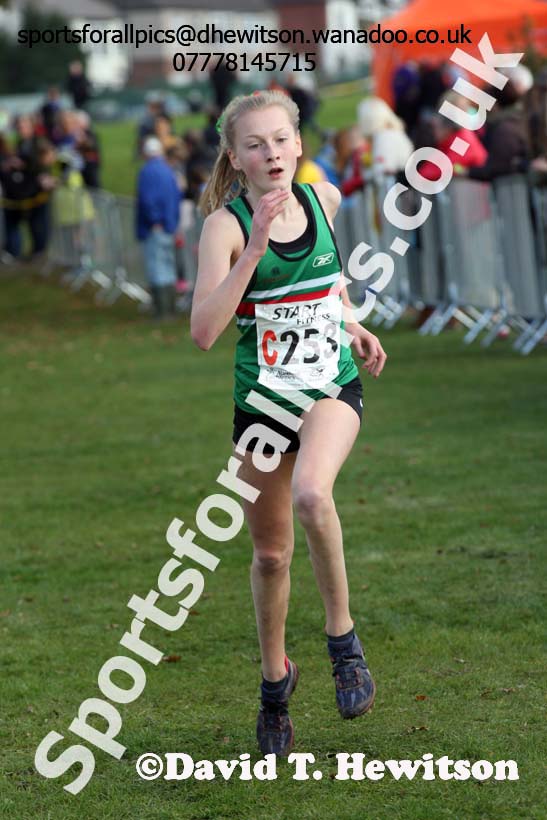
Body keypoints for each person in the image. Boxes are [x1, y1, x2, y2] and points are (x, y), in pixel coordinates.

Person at [191, 90, 387, 757]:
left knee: (312, 493)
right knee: (270, 554)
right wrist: (249, 253)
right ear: (235, 157)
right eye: (254, 144)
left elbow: (326, 285)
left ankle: (343, 645)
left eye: (279, 140)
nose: (270, 153)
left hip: (330, 383)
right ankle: (275, 687)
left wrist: (352, 323)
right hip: (263, 404)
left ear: (298, 145)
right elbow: (203, 333)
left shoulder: (325, 199)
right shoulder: (225, 225)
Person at [136, 136, 181, 318]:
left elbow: (147, 200)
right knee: (168, 266)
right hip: (169, 225)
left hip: (155, 227)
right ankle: (170, 307)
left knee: (157, 267)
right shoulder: (167, 170)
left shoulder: (146, 172)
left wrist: (155, 220)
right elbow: (176, 196)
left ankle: (162, 311)